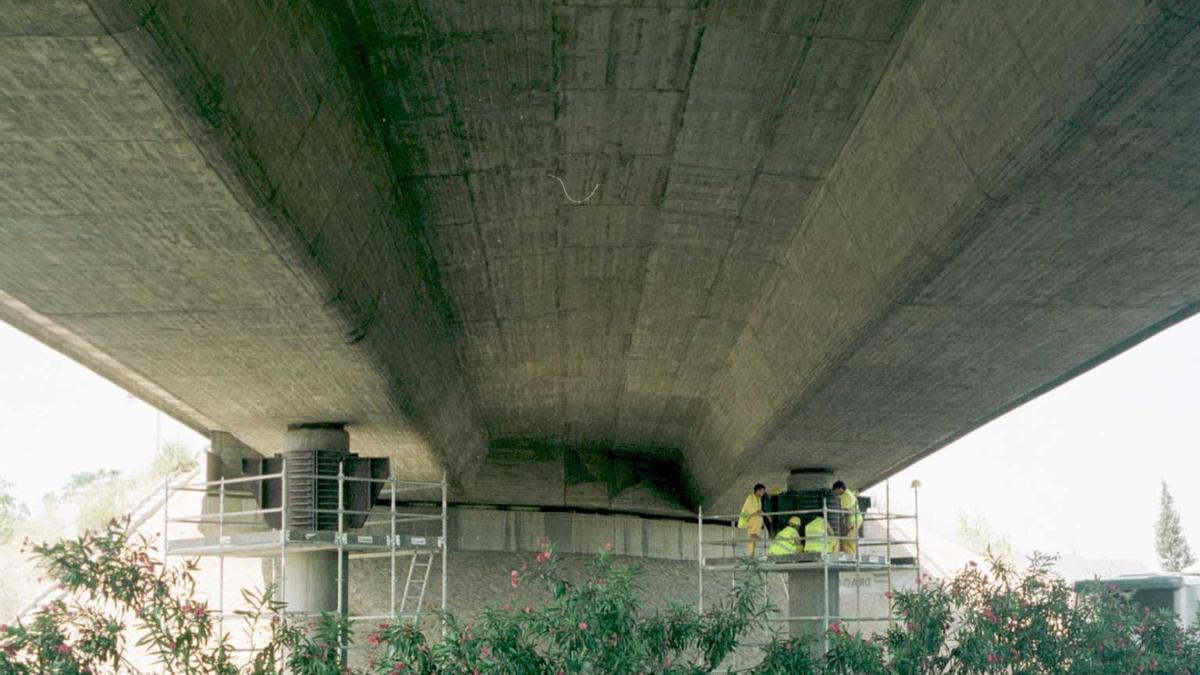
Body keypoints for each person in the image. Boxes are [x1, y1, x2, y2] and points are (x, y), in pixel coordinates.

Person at [832, 480, 862, 556]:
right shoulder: (846, 494)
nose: (835, 493)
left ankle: (851, 558)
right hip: (853, 520)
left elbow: (844, 510)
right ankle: (851, 557)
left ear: (839, 489)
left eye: (835, 490)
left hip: (853, 520)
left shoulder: (846, 496)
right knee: (846, 540)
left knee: (848, 540)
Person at [738, 483, 767, 556]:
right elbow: (756, 511)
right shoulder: (750, 498)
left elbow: (759, 510)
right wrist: (768, 517)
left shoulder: (758, 499)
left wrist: (767, 516)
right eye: (762, 491)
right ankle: (755, 535)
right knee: (758, 517)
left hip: (752, 520)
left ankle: (751, 555)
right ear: (758, 490)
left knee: (752, 542)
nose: (763, 493)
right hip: (748, 520)